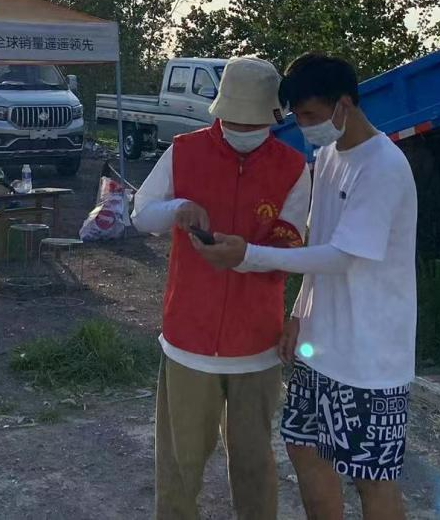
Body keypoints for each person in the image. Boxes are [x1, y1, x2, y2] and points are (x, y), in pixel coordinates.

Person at [194, 53, 417, 520]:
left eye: (312, 115)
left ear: (344, 105)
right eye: (298, 116)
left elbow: (342, 256)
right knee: (304, 449)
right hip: (321, 348)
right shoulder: (330, 156)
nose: (306, 126)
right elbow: (318, 241)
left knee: (372, 477)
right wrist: (298, 314)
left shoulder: (382, 167)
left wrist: (249, 256)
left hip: (368, 359)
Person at [132, 56, 311, 520]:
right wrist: (178, 208)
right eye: (233, 119)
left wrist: (243, 256)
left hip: (257, 345)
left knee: (254, 465)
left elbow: (291, 248)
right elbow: (141, 214)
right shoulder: (184, 151)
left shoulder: (294, 168)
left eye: (251, 122)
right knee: (180, 469)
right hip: (188, 341)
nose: (241, 129)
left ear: (272, 117)